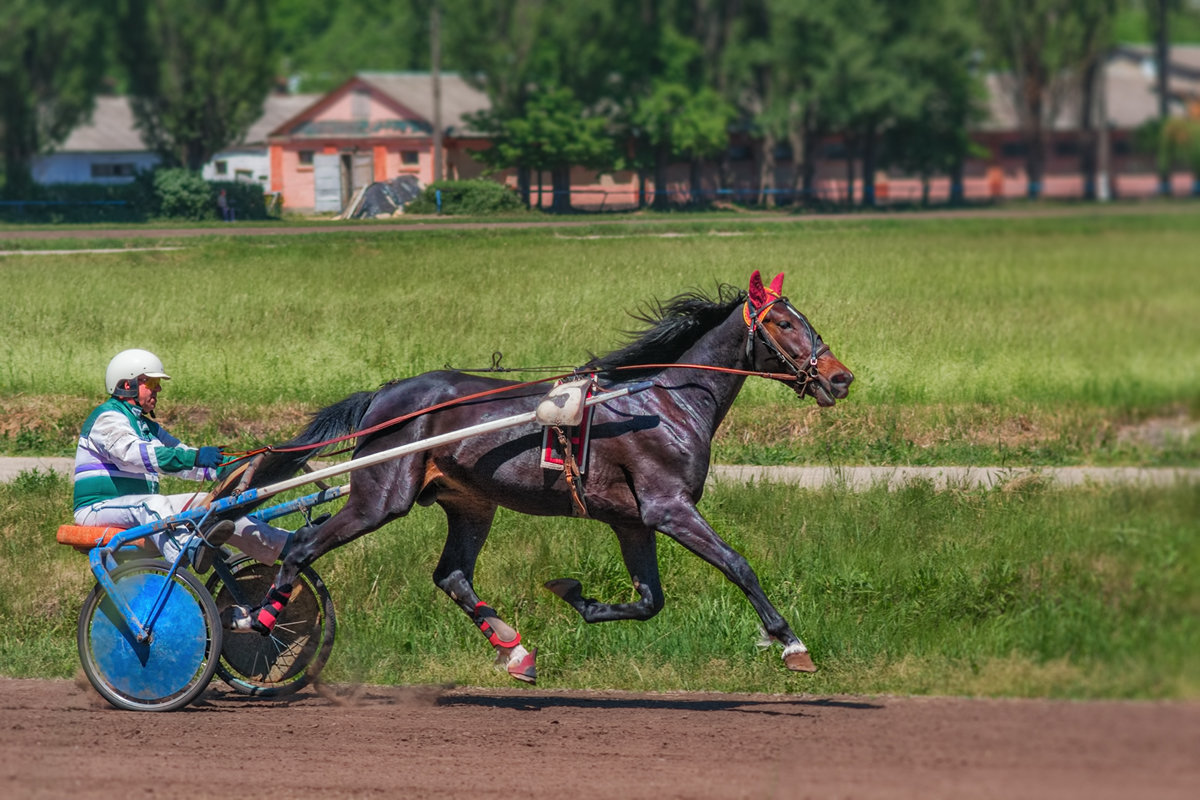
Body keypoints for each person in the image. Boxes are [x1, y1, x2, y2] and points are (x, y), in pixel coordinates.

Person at [73, 349, 292, 573]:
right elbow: (138, 455)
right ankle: (189, 551)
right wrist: (195, 457)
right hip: (96, 510)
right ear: (126, 384)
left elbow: (181, 455)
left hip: (132, 508)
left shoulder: (147, 427)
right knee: (152, 504)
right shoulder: (107, 418)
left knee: (213, 506)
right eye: (151, 382)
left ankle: (287, 545)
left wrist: (229, 467)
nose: (158, 388)